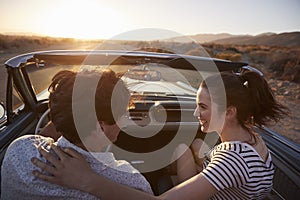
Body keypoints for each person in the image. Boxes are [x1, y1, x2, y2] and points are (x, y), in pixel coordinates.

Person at [31, 70, 287, 200]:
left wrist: (87, 180)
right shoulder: (251, 137)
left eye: (204, 107)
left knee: (182, 154)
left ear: (230, 112)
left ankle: (167, 174)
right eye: (197, 104)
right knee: (187, 147)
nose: (196, 113)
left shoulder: (232, 160)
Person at [1, 69, 153, 200]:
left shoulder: (20, 150)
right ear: (101, 127)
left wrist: (71, 108)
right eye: (124, 115)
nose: (125, 122)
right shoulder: (129, 182)